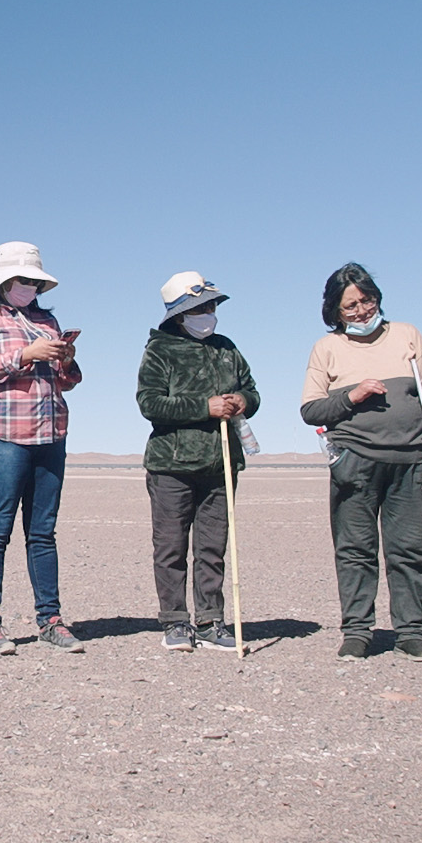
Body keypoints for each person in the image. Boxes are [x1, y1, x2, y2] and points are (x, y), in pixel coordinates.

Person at [300, 263, 422, 663]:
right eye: (351, 306)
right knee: (354, 550)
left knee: (408, 550)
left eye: (367, 300)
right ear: (335, 311)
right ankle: (357, 632)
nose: (362, 310)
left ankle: (411, 632)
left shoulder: (406, 335)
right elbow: (311, 410)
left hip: (410, 460)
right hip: (355, 462)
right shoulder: (327, 348)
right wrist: (353, 396)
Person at [0, 241, 83, 654]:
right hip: (1, 434)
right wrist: (25, 354)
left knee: (42, 532)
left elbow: (68, 381)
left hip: (50, 432)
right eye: (23, 280)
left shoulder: (46, 318)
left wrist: (64, 359)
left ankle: (51, 619)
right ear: (3, 280)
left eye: (35, 281)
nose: (30, 286)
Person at [135, 272, 261, 652]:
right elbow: (149, 403)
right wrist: (202, 407)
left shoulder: (227, 348)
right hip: (172, 464)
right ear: (179, 314)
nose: (208, 313)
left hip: (220, 462)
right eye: (199, 307)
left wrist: (243, 402)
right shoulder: (161, 350)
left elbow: (251, 390)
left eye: (210, 306)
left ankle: (210, 620)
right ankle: (175, 621)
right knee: (171, 546)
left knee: (212, 546)